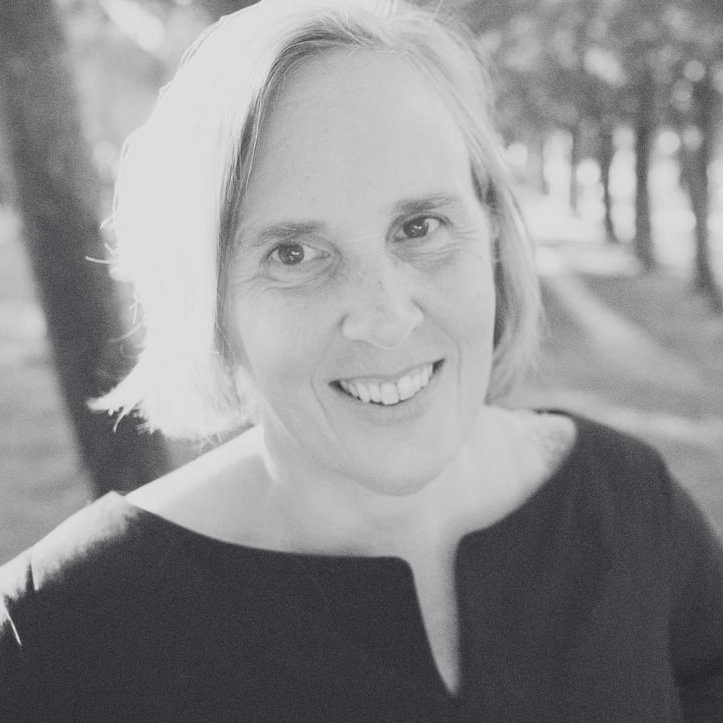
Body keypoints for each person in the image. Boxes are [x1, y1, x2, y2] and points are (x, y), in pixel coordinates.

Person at [1, 0, 722, 719]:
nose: (385, 318)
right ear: (210, 298)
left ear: (492, 231)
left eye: (420, 226)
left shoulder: (629, 508)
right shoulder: (60, 634)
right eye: (294, 253)